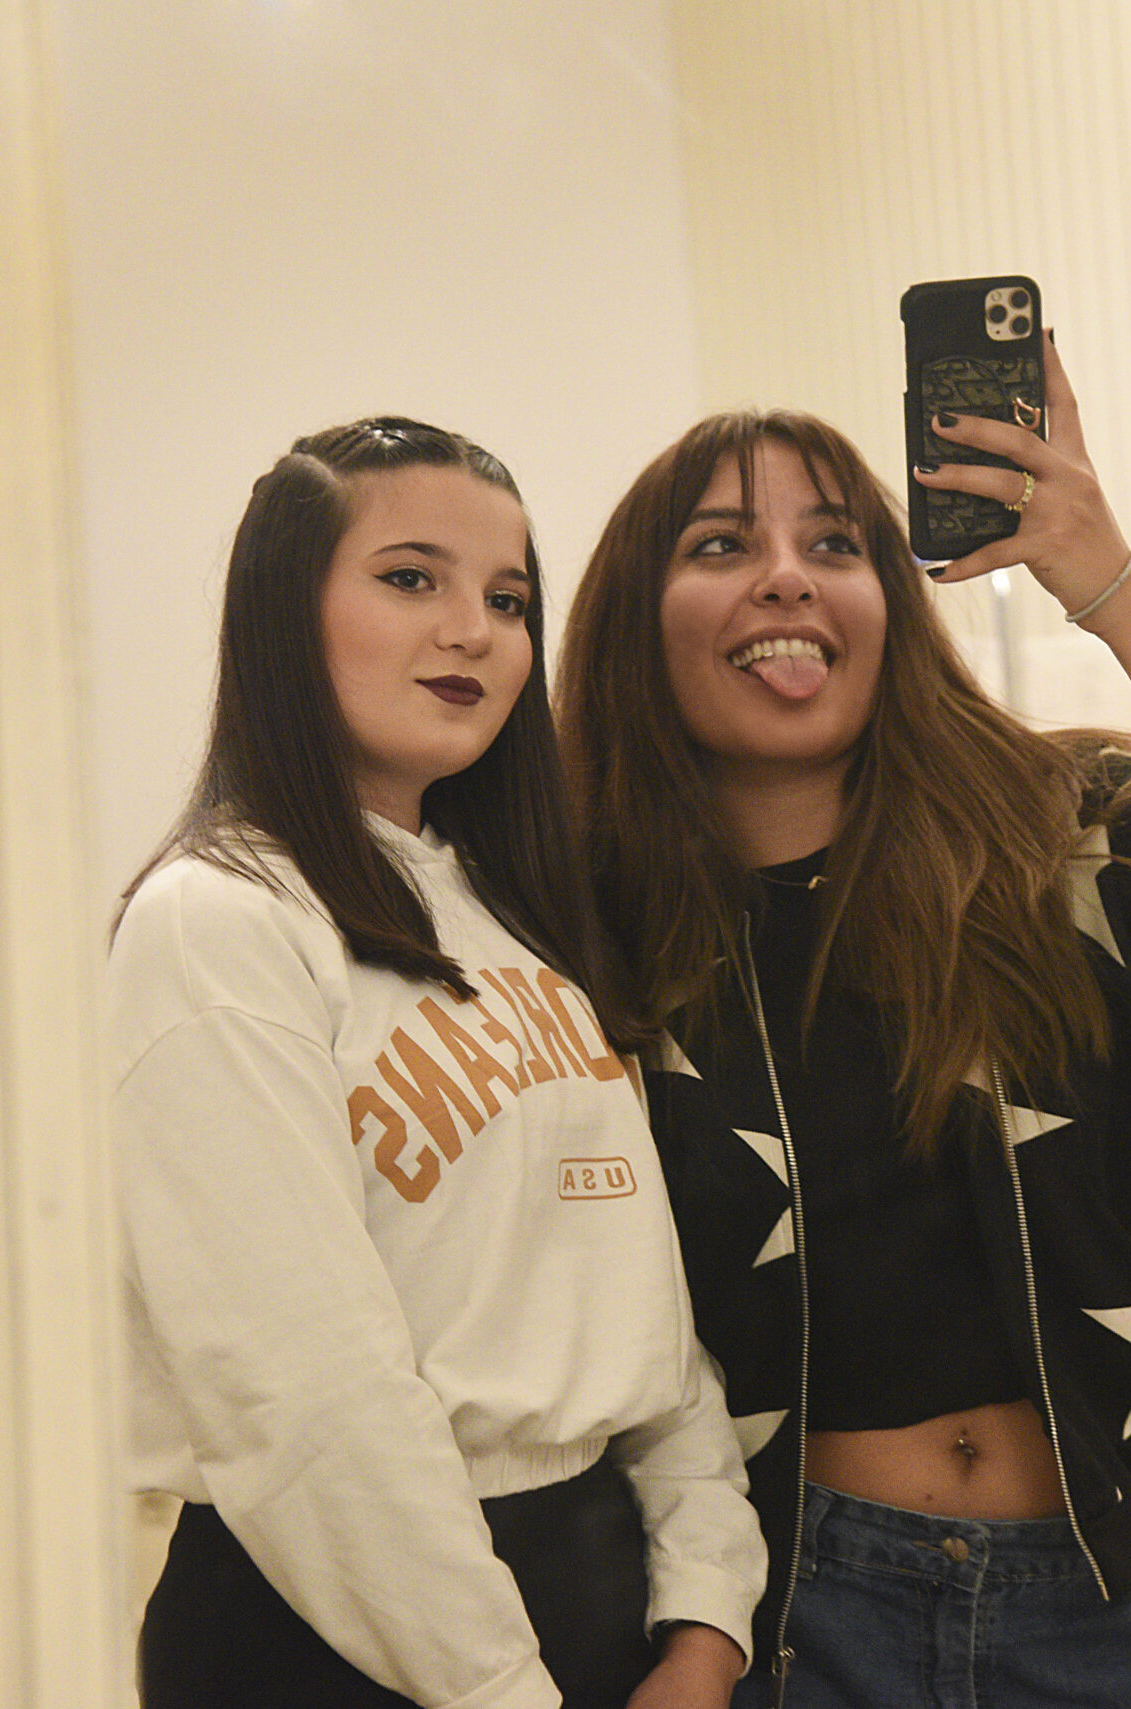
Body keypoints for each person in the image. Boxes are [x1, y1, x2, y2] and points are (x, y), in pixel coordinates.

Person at [554, 341, 1131, 1709]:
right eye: (722, 544)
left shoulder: (1084, 836)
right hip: (805, 1629)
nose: (787, 575)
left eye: (835, 543)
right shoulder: (580, 952)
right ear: (635, 622)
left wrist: (1105, 579)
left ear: (893, 607)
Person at [110, 417, 764, 1709]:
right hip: (337, 1620)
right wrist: (498, 1684)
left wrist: (705, 1618)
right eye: (412, 578)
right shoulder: (218, 919)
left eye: (509, 599)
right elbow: (301, 1392)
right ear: (281, 613)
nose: (474, 630)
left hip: (594, 1586)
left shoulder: (518, 913)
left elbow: (643, 1320)